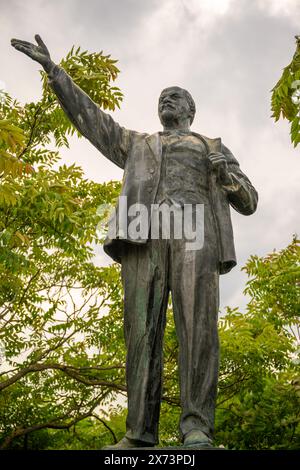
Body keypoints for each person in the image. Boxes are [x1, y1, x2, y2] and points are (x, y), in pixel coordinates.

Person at [11, 35, 258, 449]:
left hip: (196, 235)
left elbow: (249, 202)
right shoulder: (139, 144)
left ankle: (197, 427)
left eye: (175, 97)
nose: (167, 102)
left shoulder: (213, 147)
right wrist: (56, 74)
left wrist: (228, 177)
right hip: (144, 235)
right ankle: (139, 432)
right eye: (162, 97)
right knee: (141, 334)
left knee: (198, 333)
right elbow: (95, 122)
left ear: (190, 110)